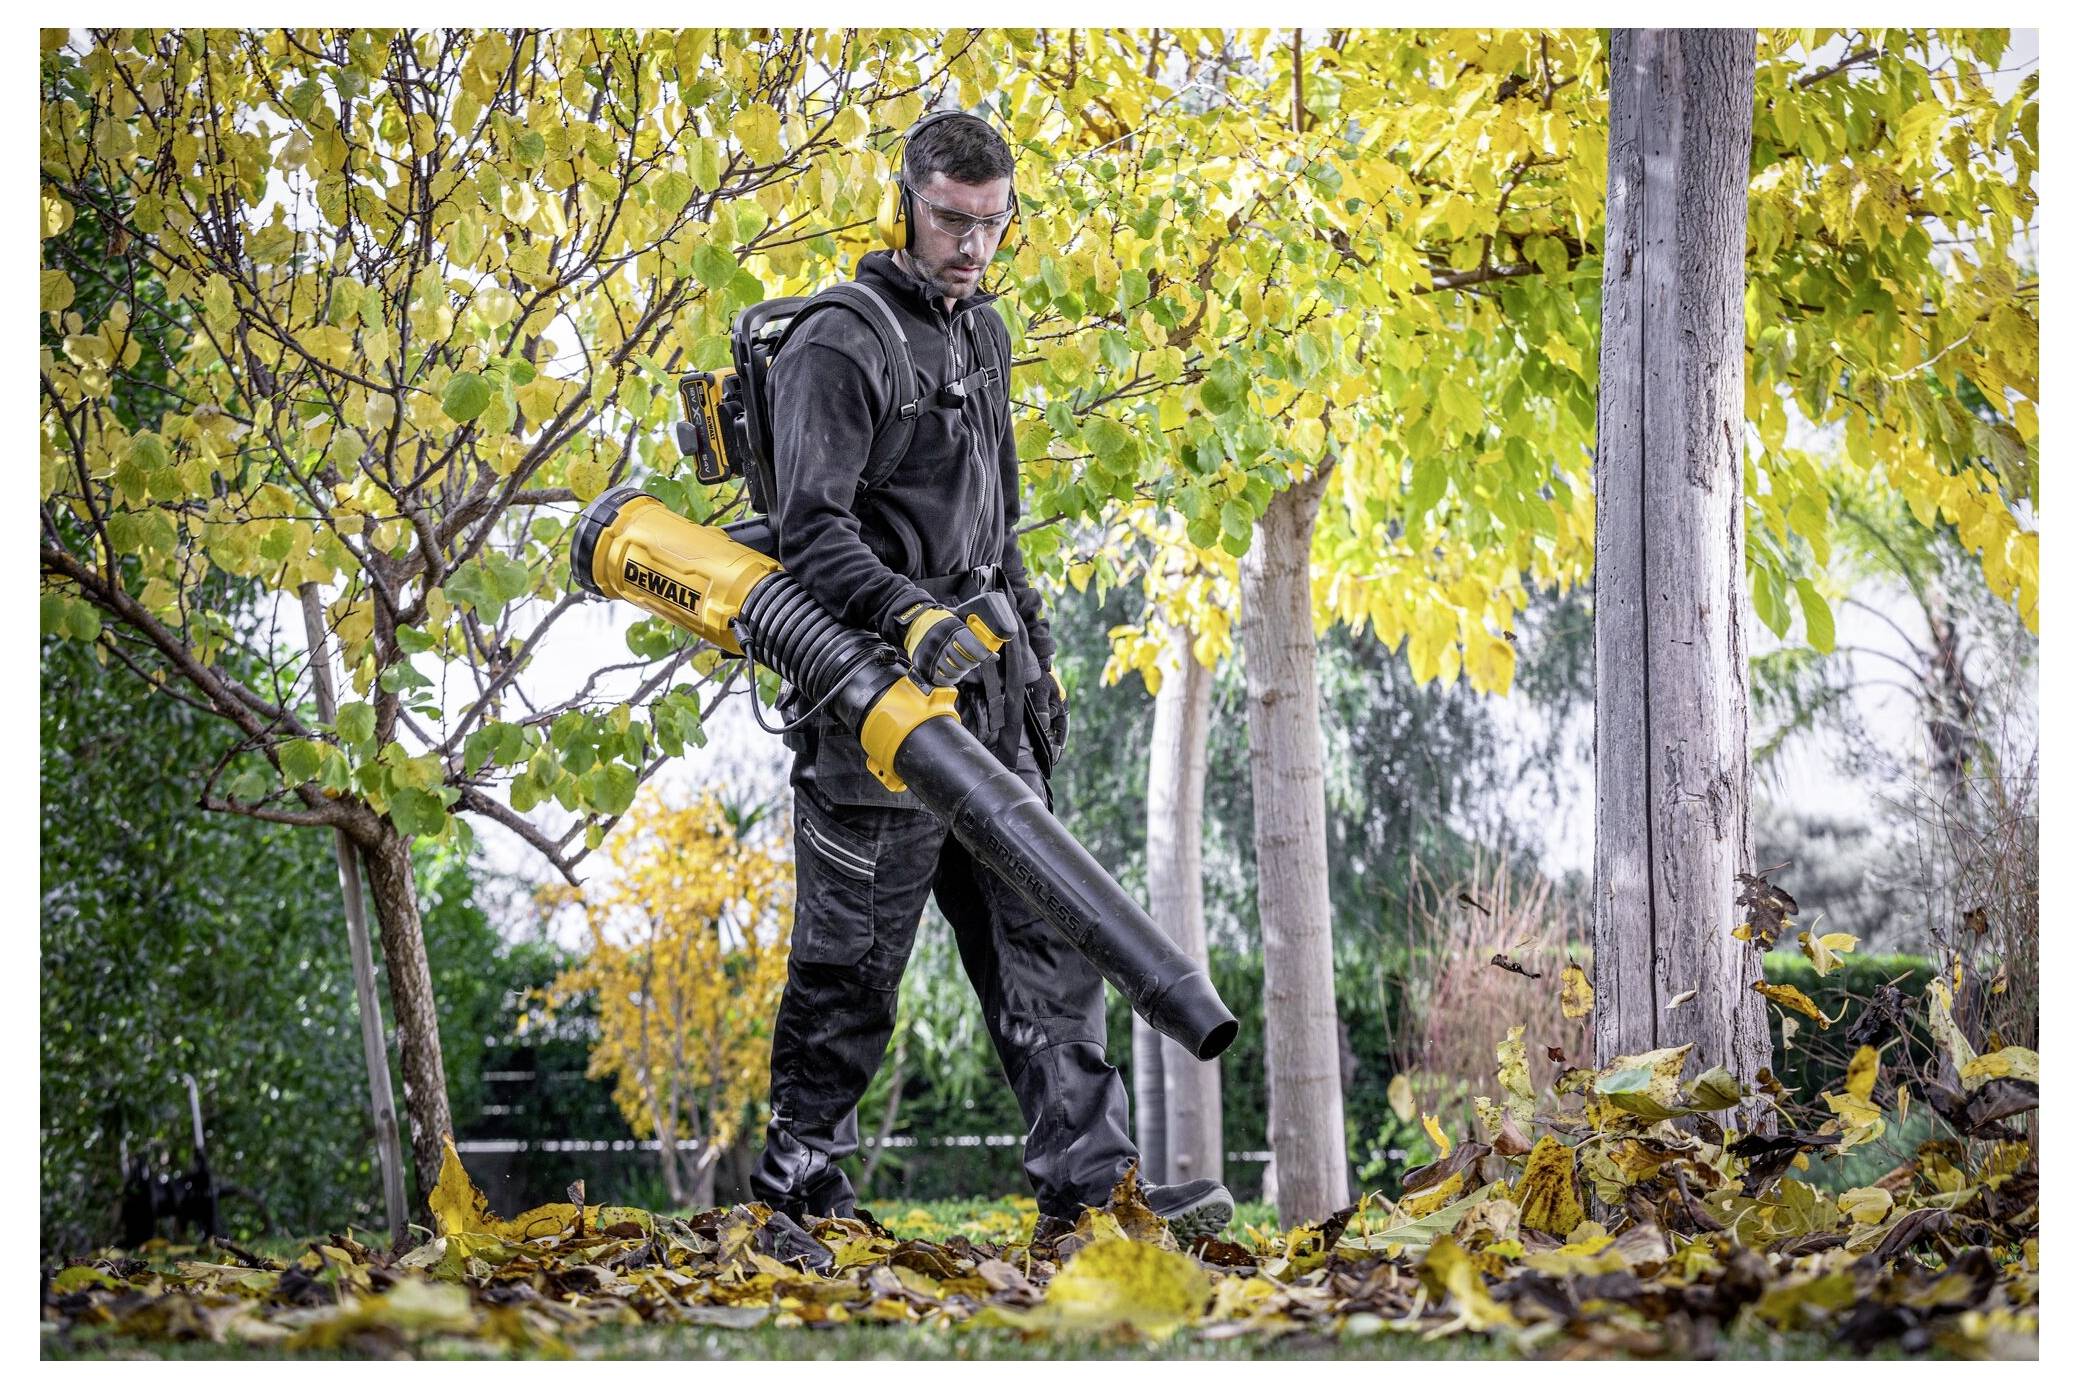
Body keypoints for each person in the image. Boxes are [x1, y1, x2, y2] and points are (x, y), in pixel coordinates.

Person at [748, 110, 1234, 1245]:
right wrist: (904, 613)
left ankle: (1092, 1197)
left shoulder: (985, 334)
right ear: (903, 203)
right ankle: (798, 1192)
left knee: (1051, 948)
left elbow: (1000, 524)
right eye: (952, 221)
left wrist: (1040, 659)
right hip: (872, 707)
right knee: (853, 971)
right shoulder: (841, 342)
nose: (972, 246)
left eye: (992, 223)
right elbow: (810, 536)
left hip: (987, 697)